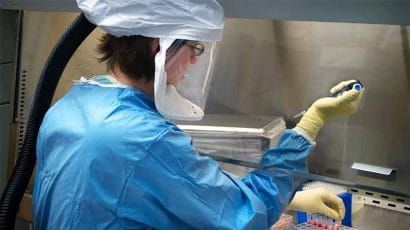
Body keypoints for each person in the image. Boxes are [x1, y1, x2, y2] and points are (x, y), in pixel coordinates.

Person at [32, 0, 364, 229]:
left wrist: (294, 199)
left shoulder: (69, 108)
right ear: (159, 47)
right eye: (194, 47)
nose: (194, 61)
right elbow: (244, 217)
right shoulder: (143, 138)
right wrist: (310, 124)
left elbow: (143, 199)